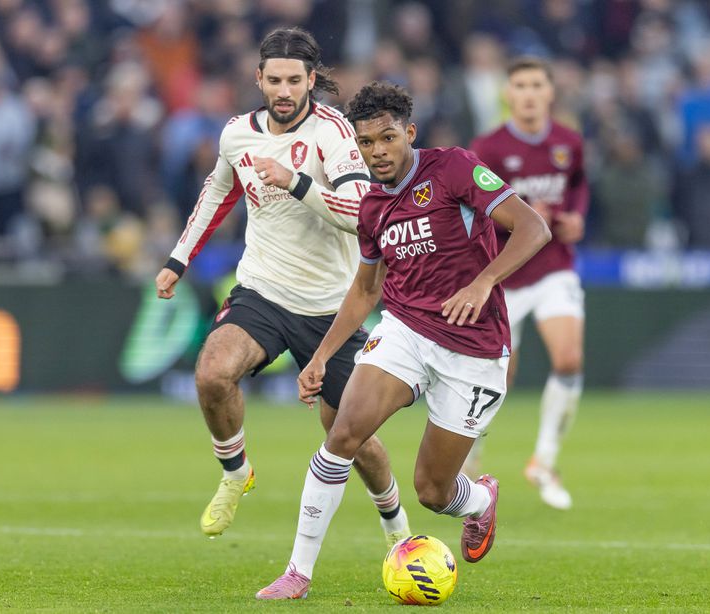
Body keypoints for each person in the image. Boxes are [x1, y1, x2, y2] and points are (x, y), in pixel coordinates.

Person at [256, 81, 550, 600]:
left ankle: (479, 502)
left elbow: (532, 228)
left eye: (387, 138)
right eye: (366, 143)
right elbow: (367, 288)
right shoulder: (372, 208)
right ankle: (297, 572)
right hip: (407, 331)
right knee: (342, 432)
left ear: (409, 132)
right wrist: (321, 357)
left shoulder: (454, 168)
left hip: (475, 351)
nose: (378, 152)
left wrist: (483, 282)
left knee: (433, 491)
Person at [154, 28, 410, 548]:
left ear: (312, 80)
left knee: (351, 439)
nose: (285, 90)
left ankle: (397, 529)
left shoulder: (336, 134)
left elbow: (360, 217)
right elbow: (217, 195)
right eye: (275, 80)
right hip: (263, 291)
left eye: (295, 80)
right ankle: (235, 472)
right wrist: (178, 261)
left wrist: (296, 180)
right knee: (212, 372)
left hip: (331, 310)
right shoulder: (236, 135)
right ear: (259, 79)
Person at [468, 56, 589, 511]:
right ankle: (472, 452)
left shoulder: (569, 142)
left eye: (537, 84)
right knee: (500, 375)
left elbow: (578, 184)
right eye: (520, 85)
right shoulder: (488, 147)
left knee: (570, 357)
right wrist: (519, 213)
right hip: (504, 273)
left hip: (555, 264)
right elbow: (475, 210)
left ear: (550, 92)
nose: (530, 92)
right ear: (508, 94)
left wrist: (575, 216)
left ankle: (545, 461)